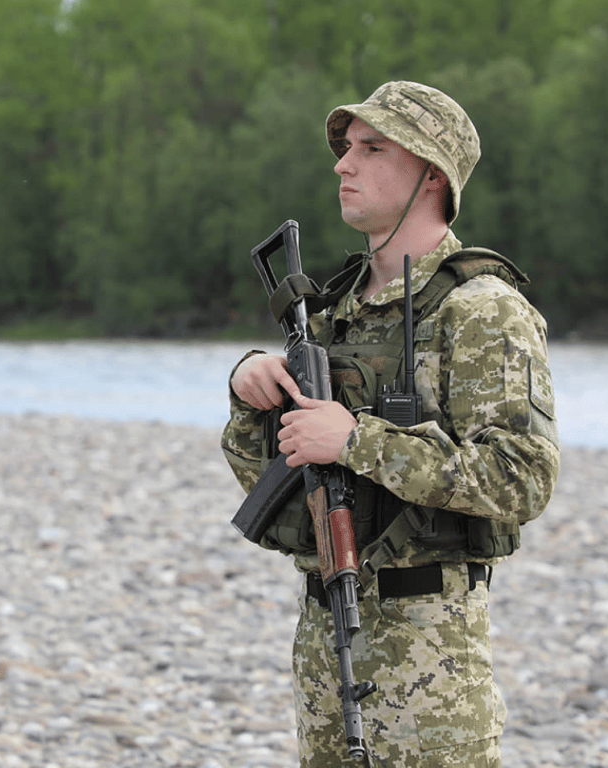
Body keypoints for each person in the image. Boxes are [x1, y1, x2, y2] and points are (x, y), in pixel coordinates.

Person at [221, 81, 559, 767]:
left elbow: (521, 478)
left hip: (428, 660)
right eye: (346, 148)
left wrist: (356, 440)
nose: (344, 164)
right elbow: (272, 481)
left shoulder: (480, 310)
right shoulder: (332, 311)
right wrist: (248, 398)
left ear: (431, 174)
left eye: (371, 149)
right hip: (323, 642)